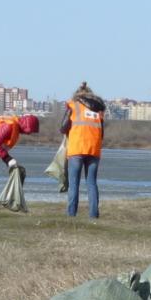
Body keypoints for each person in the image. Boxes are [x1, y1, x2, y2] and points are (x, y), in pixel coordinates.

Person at [59, 82, 106, 218]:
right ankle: (94, 215)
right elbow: (101, 133)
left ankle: (72, 214)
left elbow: (62, 127)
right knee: (91, 183)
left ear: (77, 94)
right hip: (94, 149)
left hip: (77, 148)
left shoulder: (73, 105)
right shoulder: (99, 109)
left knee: (74, 183)